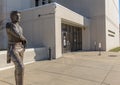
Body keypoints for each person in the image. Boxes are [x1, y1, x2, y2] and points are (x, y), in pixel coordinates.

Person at [6, 11, 27, 85]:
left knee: (18, 69)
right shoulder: (9, 25)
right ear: (12, 17)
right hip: (13, 48)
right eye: (16, 16)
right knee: (21, 67)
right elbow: (17, 35)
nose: (19, 17)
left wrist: (23, 47)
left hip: (20, 48)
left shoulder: (21, 28)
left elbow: (21, 39)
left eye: (19, 16)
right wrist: (24, 39)